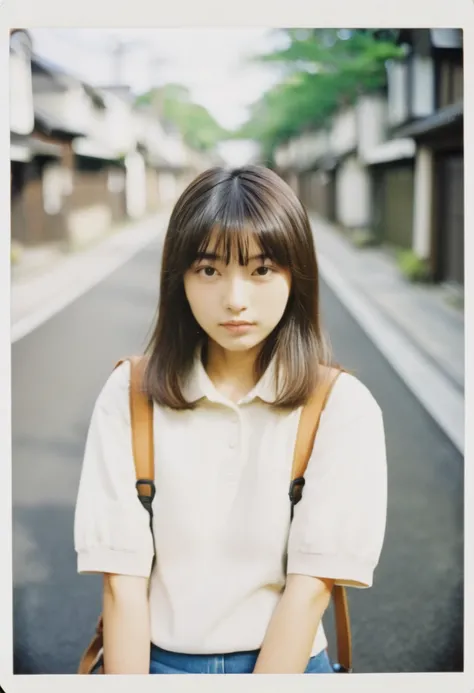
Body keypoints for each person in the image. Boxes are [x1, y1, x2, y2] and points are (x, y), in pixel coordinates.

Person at [74, 165, 387, 675]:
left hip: (288, 665)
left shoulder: (340, 405)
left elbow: (312, 589)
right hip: (153, 661)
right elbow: (121, 580)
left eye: (261, 270)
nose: (235, 298)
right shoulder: (130, 394)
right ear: (179, 279)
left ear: (295, 275)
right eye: (209, 270)